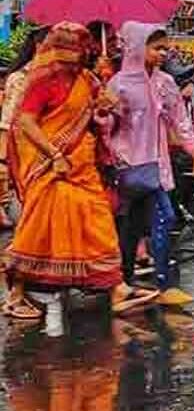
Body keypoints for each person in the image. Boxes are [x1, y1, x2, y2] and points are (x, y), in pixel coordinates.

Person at [3, 22, 158, 320]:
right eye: (68, 49)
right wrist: (54, 154)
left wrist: (105, 107)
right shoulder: (42, 80)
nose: (74, 56)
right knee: (40, 231)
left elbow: (100, 119)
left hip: (84, 168)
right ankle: (16, 293)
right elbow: (25, 123)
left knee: (98, 226)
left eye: (78, 49)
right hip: (51, 168)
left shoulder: (89, 79)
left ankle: (117, 289)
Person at [107, 23, 194, 305]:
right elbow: (106, 129)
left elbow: (181, 122)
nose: (163, 53)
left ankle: (161, 284)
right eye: (156, 48)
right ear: (138, 48)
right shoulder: (119, 85)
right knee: (134, 225)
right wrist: (107, 112)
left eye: (165, 47)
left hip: (158, 166)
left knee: (161, 219)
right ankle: (126, 283)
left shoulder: (165, 83)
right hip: (128, 166)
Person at [0, 25, 50, 228]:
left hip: (55, 154)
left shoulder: (67, 79)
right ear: (39, 46)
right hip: (26, 156)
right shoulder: (20, 79)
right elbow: (7, 122)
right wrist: (2, 162)